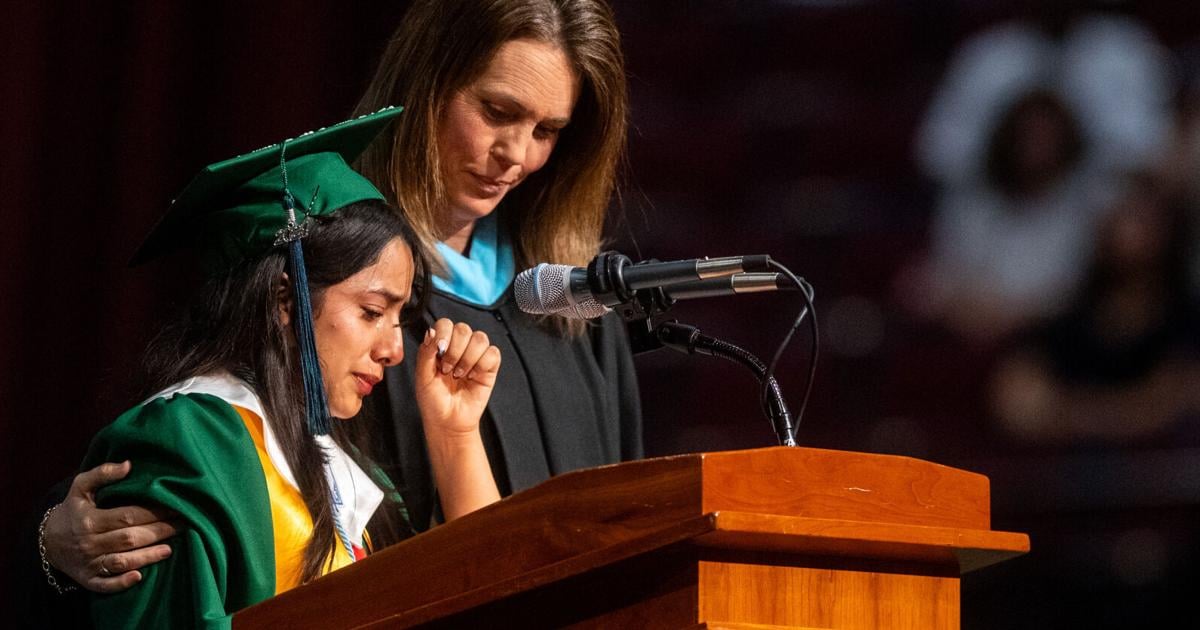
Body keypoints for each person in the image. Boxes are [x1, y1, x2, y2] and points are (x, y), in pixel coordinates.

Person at [37, 0, 641, 603]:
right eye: (497, 112)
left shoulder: (572, 310)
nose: (517, 154)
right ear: (426, 85)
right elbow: (176, 457)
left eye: (547, 131)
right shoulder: (311, 258)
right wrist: (49, 543)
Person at [51, 108, 504, 628]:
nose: (394, 350)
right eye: (372, 312)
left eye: (399, 319)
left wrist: (454, 432)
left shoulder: (338, 465)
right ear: (284, 299)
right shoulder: (189, 441)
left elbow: (490, 593)